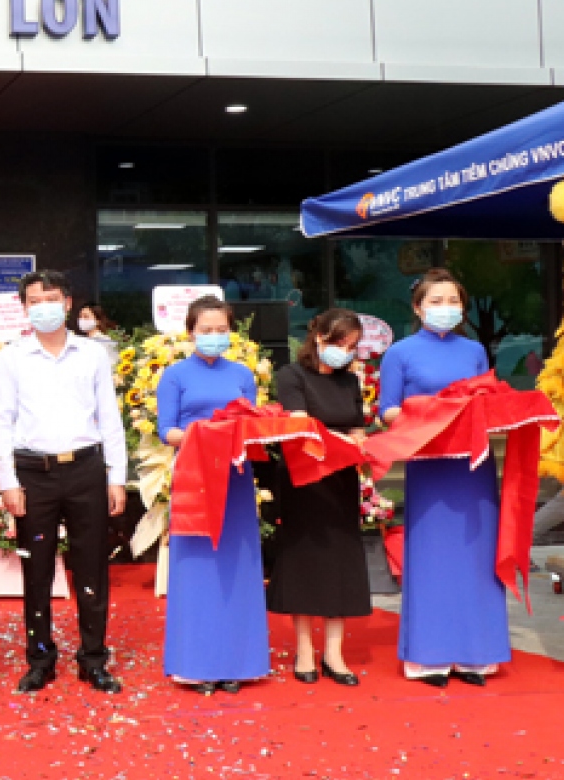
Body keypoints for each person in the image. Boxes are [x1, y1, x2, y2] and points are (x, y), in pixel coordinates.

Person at [0, 271, 128, 696]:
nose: (43, 307)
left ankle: (93, 659)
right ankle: (40, 660)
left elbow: (110, 418)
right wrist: (7, 482)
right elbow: (0, 422)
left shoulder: (92, 353)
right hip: (33, 475)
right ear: (24, 308)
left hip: (86, 470)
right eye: (34, 301)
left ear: (67, 303)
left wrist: (116, 477)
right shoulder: (12, 357)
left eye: (51, 299)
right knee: (36, 569)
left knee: (91, 567)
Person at [379, 268, 506, 688]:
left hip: (472, 466)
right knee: (432, 558)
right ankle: (428, 657)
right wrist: (434, 411)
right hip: (430, 464)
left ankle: (475, 656)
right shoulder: (400, 353)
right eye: (436, 302)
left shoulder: (474, 351)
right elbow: (388, 411)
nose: (446, 308)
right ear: (418, 308)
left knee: (476, 556)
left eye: (453, 302)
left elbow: (487, 400)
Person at [157, 295, 267, 695]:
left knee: (236, 568)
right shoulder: (174, 376)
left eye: (222, 330)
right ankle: (195, 664)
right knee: (197, 569)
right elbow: (166, 430)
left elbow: (252, 423)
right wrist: (203, 434)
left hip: (236, 477)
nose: (215, 336)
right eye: (207, 330)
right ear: (191, 332)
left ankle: (238, 662)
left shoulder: (242, 374)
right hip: (196, 476)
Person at [266, 309, 370, 687]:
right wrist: (338, 440)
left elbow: (358, 426)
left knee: (340, 561)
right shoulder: (292, 375)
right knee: (305, 561)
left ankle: (334, 652)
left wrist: (359, 442)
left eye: (353, 346)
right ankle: (305, 649)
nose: (346, 351)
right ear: (320, 337)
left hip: (341, 479)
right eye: (341, 342)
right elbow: (300, 426)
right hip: (304, 478)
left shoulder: (350, 381)